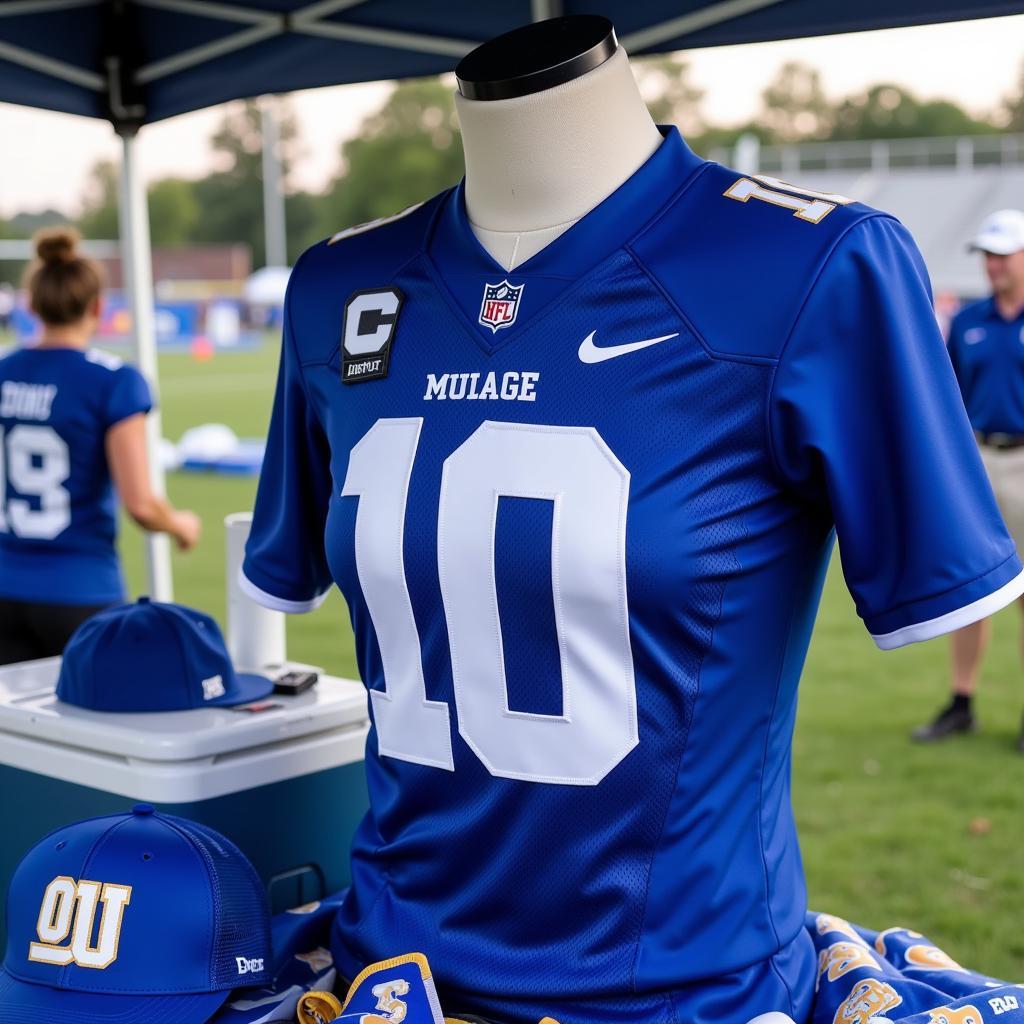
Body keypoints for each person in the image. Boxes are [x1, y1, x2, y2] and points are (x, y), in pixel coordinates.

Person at [241, 18, 1022, 1024]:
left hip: (680, 988)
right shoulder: (340, 286)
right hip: (388, 981)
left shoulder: (814, 267)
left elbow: (932, 584)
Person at [0, 226, 201, 665]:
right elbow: (142, 504)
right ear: (97, 306)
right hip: (79, 590)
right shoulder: (112, 381)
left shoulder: (5, 370)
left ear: (32, 304)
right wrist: (180, 524)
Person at [913, 209, 1024, 747]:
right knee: (972, 588)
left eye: (1004, 253)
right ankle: (961, 703)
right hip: (978, 460)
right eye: (988, 254)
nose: (993, 264)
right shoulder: (971, 320)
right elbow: (949, 394)